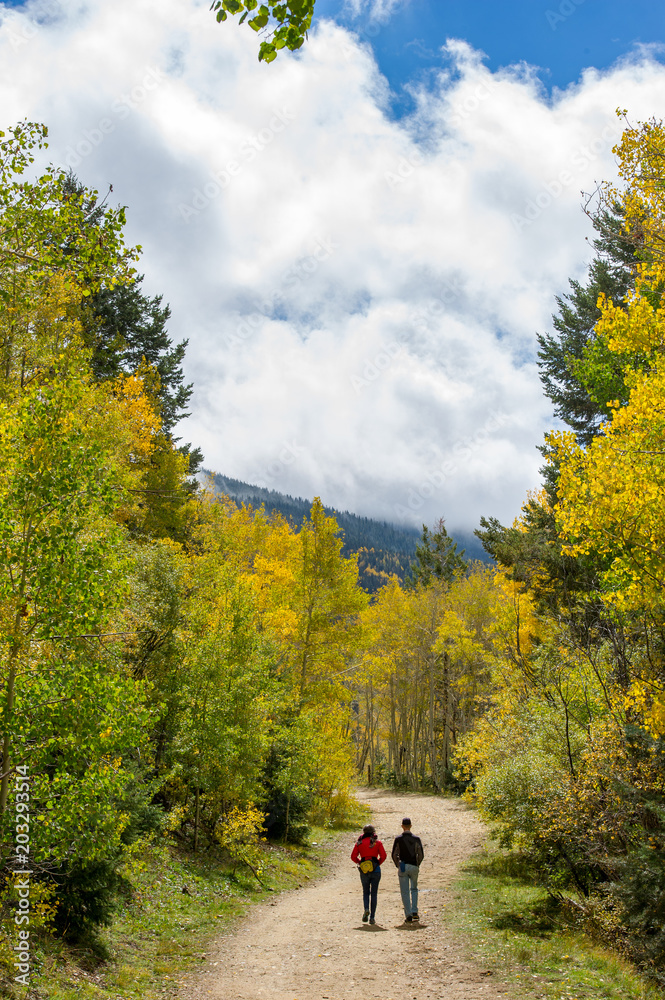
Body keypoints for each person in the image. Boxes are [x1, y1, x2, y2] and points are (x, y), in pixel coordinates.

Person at [351, 824, 387, 925]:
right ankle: (372, 917)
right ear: (373, 832)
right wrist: (377, 863)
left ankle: (366, 908)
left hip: (364, 870)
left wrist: (360, 862)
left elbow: (353, 856)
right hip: (375, 870)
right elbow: (383, 856)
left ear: (364, 832)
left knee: (366, 892)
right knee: (374, 893)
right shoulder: (377, 843)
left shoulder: (359, 843)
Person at [391, 816, 424, 923]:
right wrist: (417, 864)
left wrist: (398, 865)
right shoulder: (416, 839)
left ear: (402, 826)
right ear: (410, 826)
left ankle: (408, 914)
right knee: (414, 889)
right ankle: (415, 911)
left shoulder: (398, 839)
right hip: (414, 865)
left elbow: (394, 854)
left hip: (403, 866)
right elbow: (421, 854)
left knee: (405, 891)